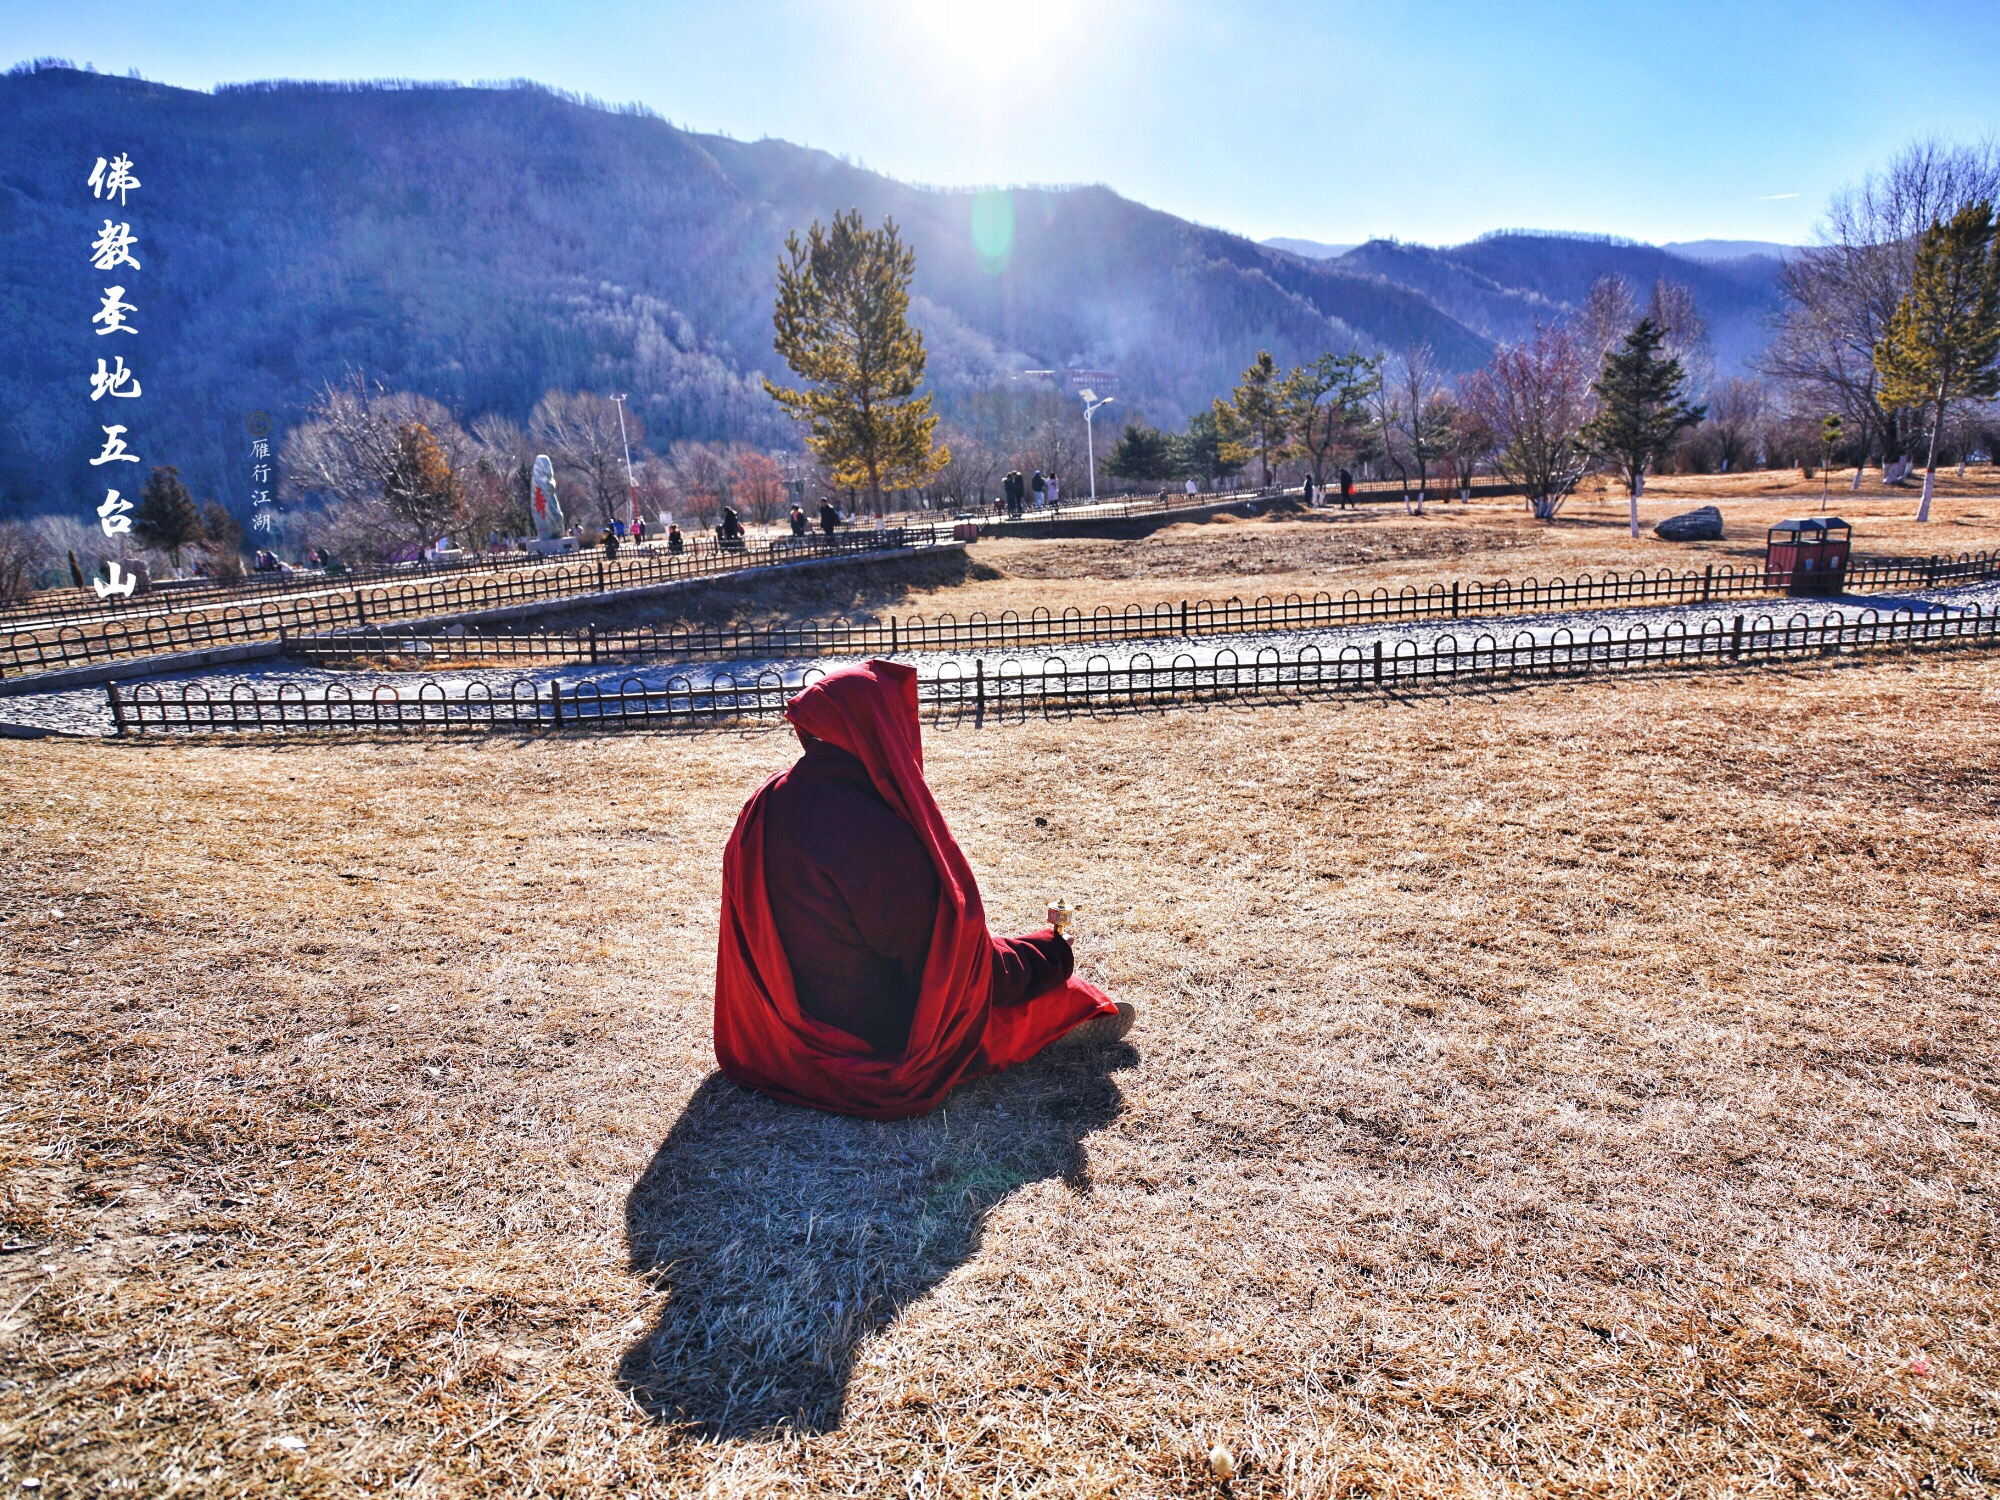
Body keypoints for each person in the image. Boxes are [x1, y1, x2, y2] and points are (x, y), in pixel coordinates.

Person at [714, 660, 1134, 1118]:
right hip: (864, 1045)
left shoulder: (768, 798)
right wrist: (1052, 955)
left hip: (767, 1039)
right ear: (884, 731)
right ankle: (1075, 1013)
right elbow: (964, 975)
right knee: (1062, 996)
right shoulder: (869, 833)